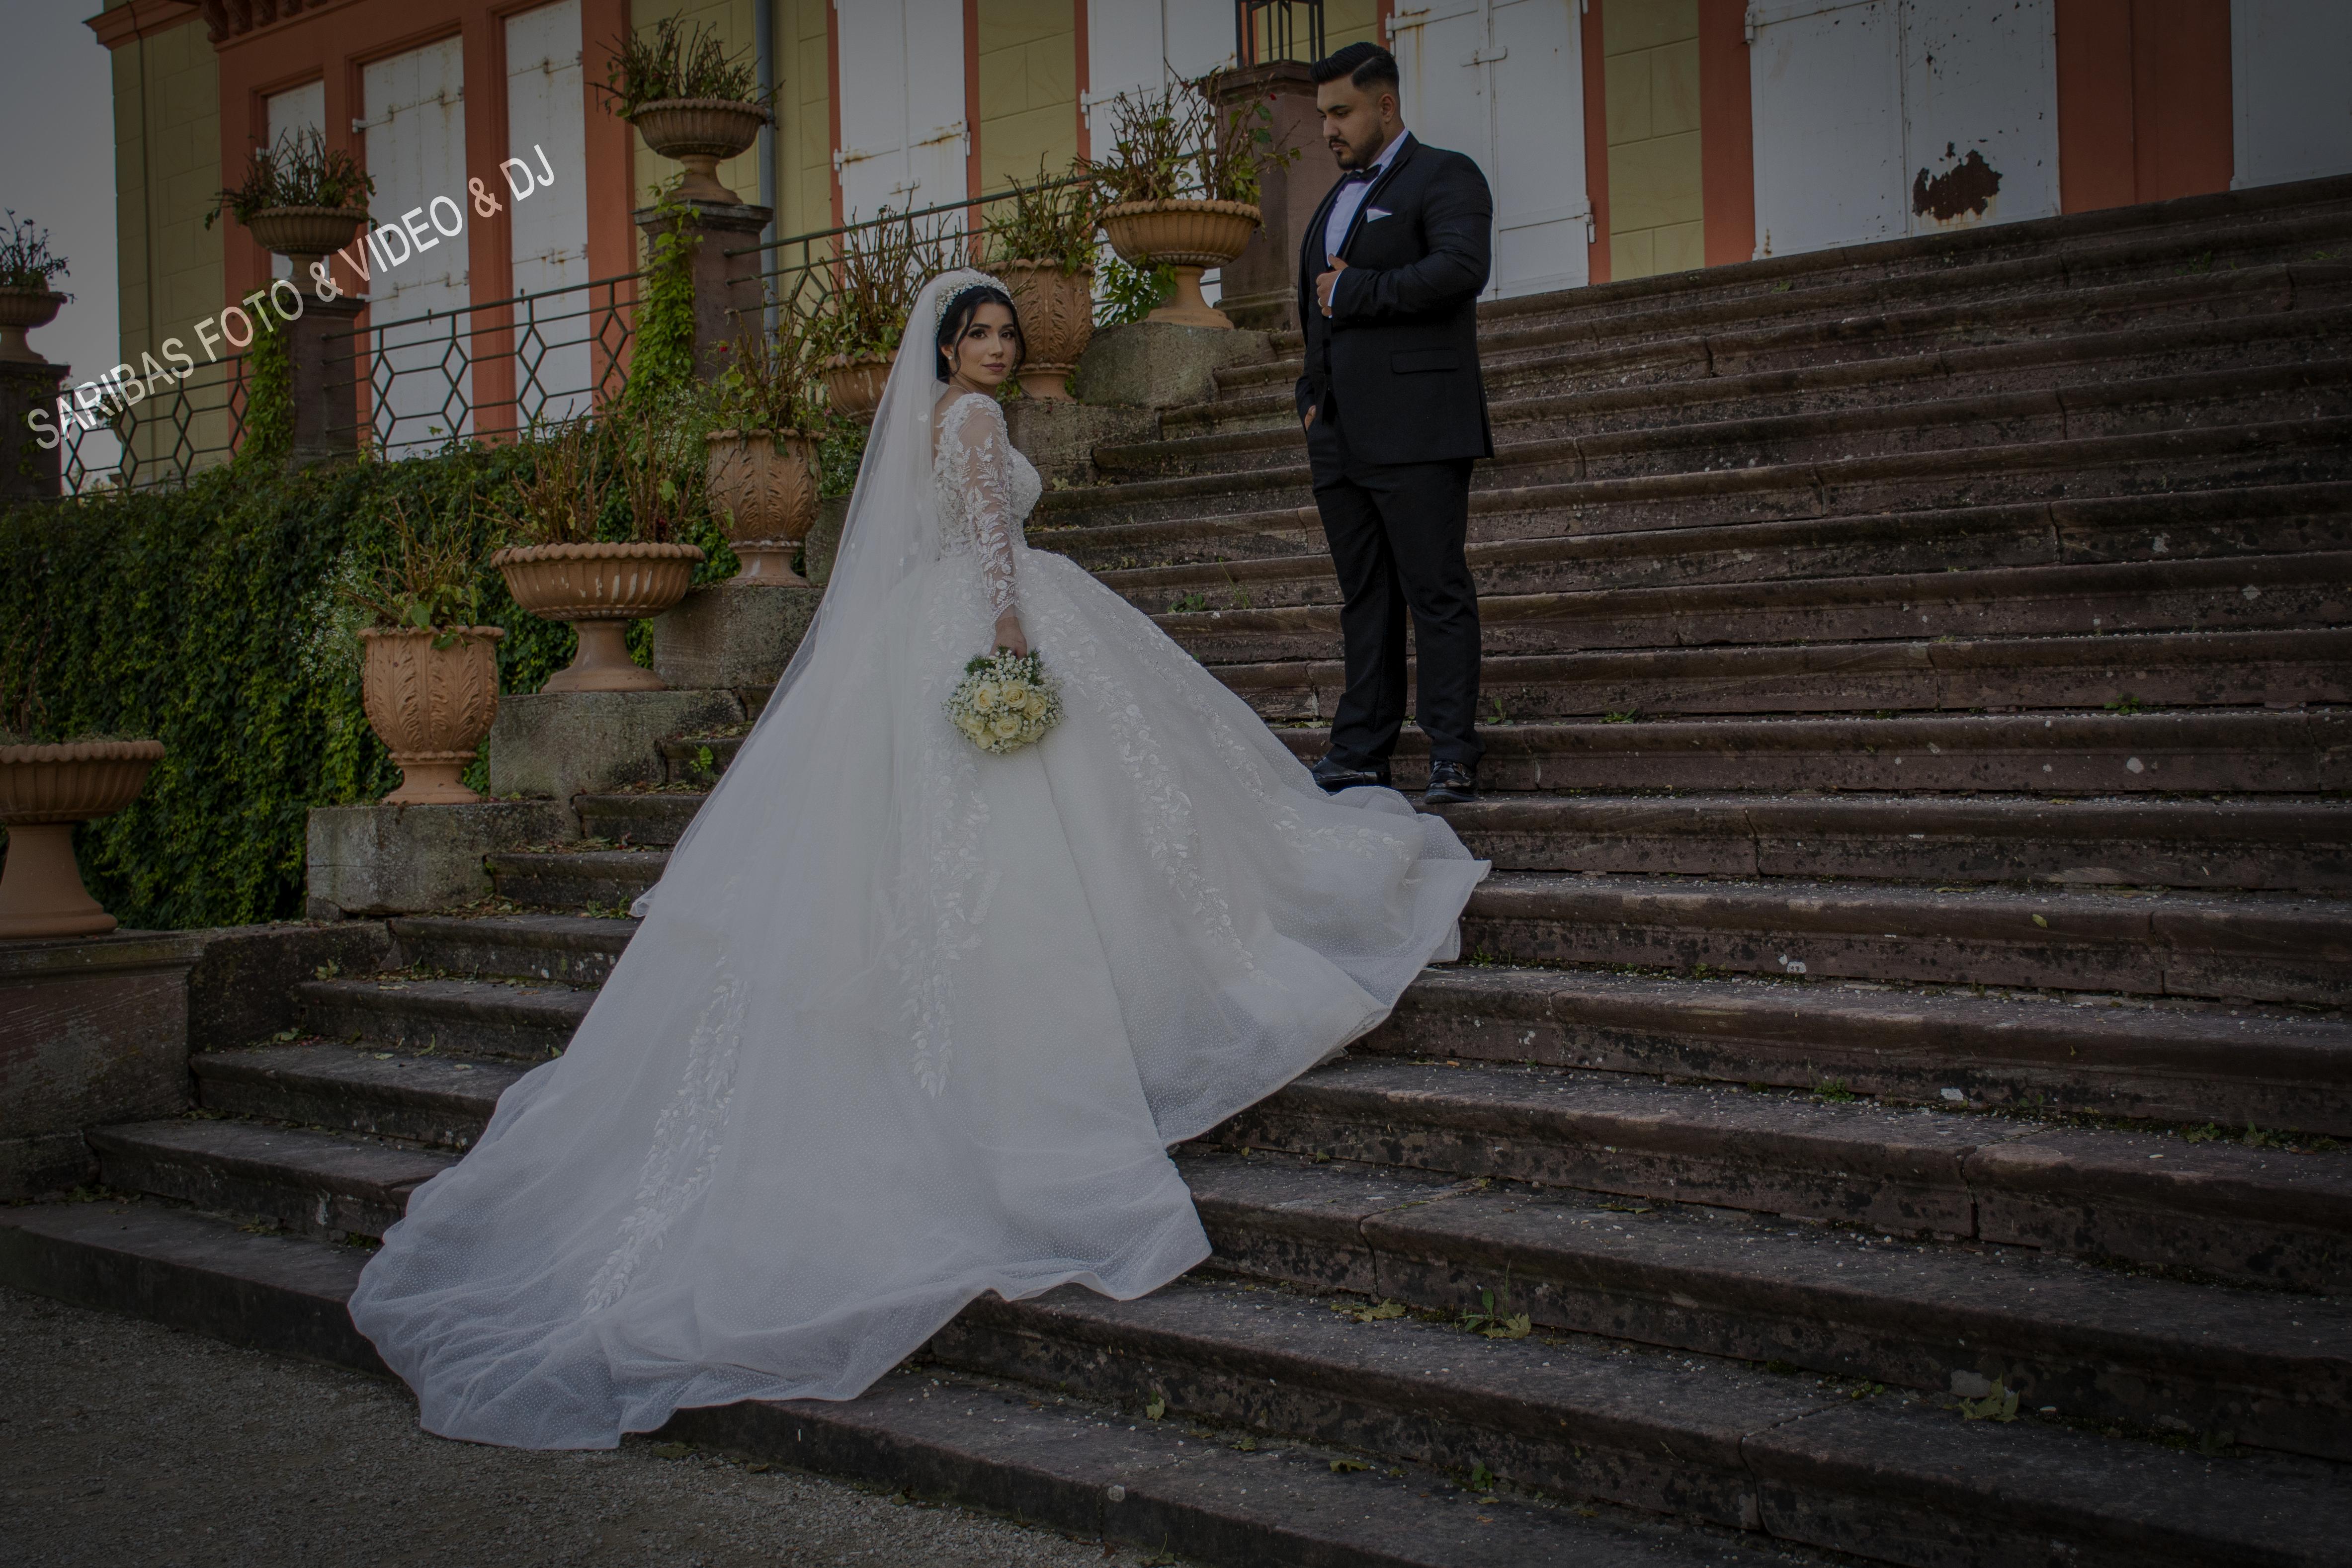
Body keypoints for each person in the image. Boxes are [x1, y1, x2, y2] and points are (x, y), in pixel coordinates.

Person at [346, 269, 1490, 1451]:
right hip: (991, 620)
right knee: (1060, 827)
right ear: (944, 352)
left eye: (1005, 333)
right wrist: (1005, 630)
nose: (996, 350)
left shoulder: (932, 422)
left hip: (918, 632)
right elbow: (992, 530)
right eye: (978, 335)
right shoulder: (977, 421)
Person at [1296, 41, 1495, 805]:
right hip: (1339, 432)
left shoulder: (1448, 175)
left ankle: (1452, 751)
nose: (1328, 130)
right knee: (1364, 598)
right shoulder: (1333, 198)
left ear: (1386, 105)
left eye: (1341, 112)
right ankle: (1359, 751)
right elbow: (1312, 307)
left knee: (1435, 589)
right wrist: (1309, 396)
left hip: (1419, 427)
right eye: (1322, 116)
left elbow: (1460, 267)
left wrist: (1360, 293)